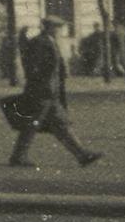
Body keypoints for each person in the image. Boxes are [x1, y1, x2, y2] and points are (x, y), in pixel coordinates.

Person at [9, 15, 102, 169]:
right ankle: (18, 157)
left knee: (59, 125)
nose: (61, 31)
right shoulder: (40, 42)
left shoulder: (49, 41)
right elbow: (34, 67)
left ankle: (82, 155)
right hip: (41, 91)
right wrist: (42, 83)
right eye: (58, 28)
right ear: (50, 28)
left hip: (50, 92)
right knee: (33, 124)